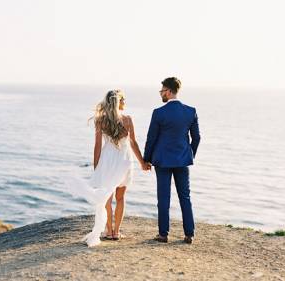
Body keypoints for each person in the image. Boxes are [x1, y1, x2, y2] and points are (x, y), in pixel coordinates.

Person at [74, 89, 150, 247]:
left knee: (107, 197)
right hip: (124, 161)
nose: (125, 103)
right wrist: (142, 162)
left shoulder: (100, 120)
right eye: (124, 100)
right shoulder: (128, 120)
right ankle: (116, 232)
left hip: (107, 162)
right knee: (121, 197)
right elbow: (133, 143)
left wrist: (97, 167)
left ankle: (108, 231)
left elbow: (97, 146)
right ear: (119, 102)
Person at [143, 77, 201, 244]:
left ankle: (163, 234)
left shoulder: (159, 113)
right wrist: (189, 154)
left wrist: (146, 159)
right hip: (182, 160)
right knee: (185, 197)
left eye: (162, 91)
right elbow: (196, 138)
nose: (161, 94)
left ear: (168, 91)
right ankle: (189, 234)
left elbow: (151, 138)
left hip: (162, 161)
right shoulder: (190, 111)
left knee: (163, 198)